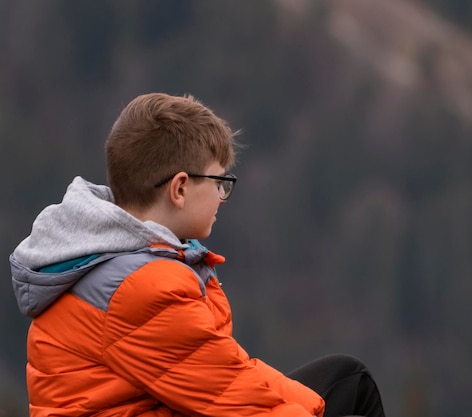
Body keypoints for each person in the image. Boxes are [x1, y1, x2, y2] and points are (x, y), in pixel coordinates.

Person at [10, 93, 386, 417]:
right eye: (220, 182)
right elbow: (231, 400)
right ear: (179, 189)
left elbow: (232, 373)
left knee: (346, 380)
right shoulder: (141, 288)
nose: (223, 197)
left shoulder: (112, 261)